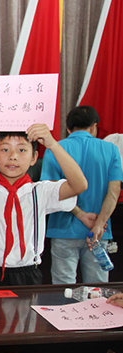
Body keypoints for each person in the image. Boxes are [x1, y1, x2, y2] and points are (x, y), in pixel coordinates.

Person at [0, 125, 88, 286]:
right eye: (5, 150)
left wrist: (53, 145)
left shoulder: (40, 191)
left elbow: (79, 185)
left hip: (27, 274)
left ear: (34, 158)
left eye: (21, 150)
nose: (13, 156)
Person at [41, 106, 123, 285]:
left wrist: (80, 214)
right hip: (99, 232)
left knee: (63, 287)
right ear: (94, 127)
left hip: (63, 229)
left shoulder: (55, 149)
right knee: (98, 289)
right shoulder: (111, 149)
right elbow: (114, 192)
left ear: (68, 128)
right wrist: (99, 224)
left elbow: (50, 190)